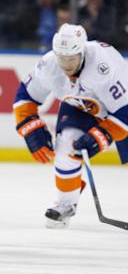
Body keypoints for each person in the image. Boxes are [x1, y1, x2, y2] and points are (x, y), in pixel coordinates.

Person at [13, 23, 128, 229]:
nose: (65, 64)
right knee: (66, 149)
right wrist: (30, 128)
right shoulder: (48, 65)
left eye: (71, 59)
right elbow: (25, 96)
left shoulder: (103, 66)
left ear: (82, 53)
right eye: (61, 58)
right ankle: (66, 205)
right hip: (81, 106)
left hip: (119, 110)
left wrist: (101, 137)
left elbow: (125, 112)